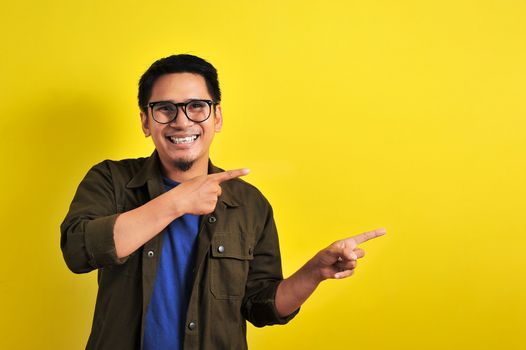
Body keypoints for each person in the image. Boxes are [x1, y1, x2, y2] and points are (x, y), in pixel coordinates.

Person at [61, 54, 386, 350]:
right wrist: (176, 202)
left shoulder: (249, 205)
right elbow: (78, 250)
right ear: (146, 122)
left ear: (217, 117)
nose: (182, 121)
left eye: (196, 106)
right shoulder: (111, 181)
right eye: (164, 109)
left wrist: (313, 272)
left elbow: (261, 308)